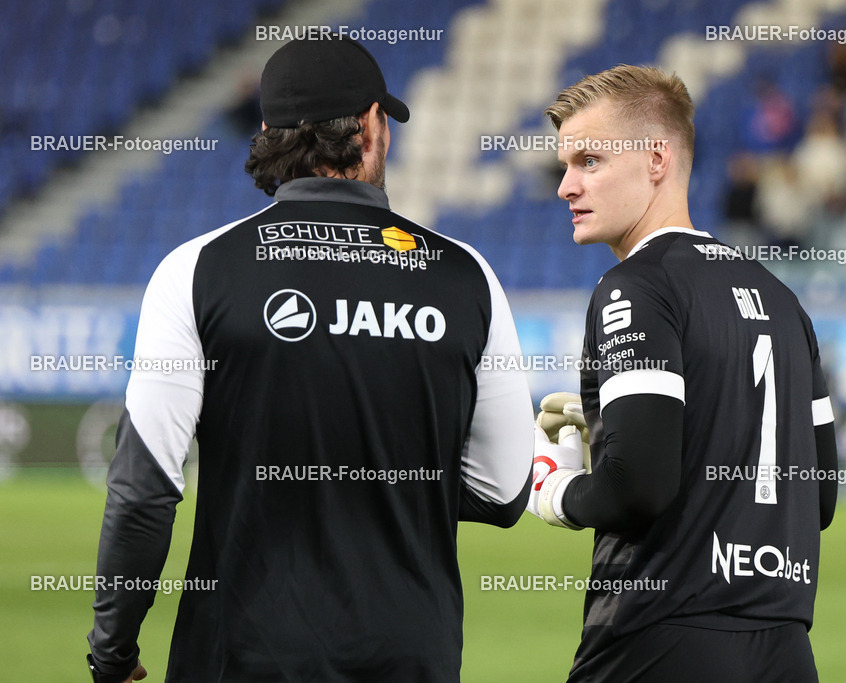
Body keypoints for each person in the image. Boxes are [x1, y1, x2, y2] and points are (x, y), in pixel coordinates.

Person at [86, 36, 534, 683]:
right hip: (412, 659)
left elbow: (144, 491)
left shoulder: (196, 271)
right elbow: (503, 488)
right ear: (375, 126)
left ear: (268, 132)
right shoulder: (469, 277)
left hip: (238, 656)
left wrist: (113, 654)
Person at [529, 65, 839, 682]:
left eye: (588, 161)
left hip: (659, 641)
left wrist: (551, 486)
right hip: (784, 648)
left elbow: (637, 487)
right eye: (565, 165)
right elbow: (821, 494)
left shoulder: (636, 288)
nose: (566, 186)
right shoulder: (781, 298)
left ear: (655, 160)